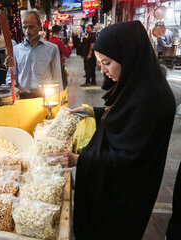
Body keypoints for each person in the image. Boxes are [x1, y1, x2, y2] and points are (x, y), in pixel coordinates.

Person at [52, 21, 176, 239]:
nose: (103, 70)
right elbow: (125, 116)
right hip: (118, 187)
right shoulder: (138, 84)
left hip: (124, 195)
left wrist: (79, 160)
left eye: (107, 62)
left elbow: (128, 156)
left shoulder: (151, 98)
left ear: (127, 55)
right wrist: (93, 111)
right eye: (100, 63)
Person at [6, 9, 61, 98]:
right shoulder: (16, 50)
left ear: (39, 26)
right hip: (22, 98)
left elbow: (57, 77)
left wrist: (58, 99)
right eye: (24, 28)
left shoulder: (52, 49)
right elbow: (11, 75)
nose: (27, 31)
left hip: (46, 98)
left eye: (31, 27)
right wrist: (11, 86)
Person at [48, 25, 73, 89]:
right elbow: (67, 54)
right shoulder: (59, 42)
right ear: (59, 32)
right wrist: (70, 47)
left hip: (49, 66)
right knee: (63, 84)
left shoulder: (47, 42)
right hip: (59, 65)